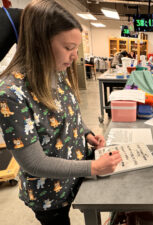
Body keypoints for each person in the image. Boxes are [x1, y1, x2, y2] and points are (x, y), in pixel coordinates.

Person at [0, 1, 122, 225]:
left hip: (74, 177)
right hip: (49, 196)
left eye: (76, 48)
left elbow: (70, 114)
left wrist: (86, 134)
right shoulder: (11, 93)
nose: (75, 56)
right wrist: (93, 167)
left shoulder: (56, 71)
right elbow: (33, 162)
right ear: (40, 43)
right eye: (68, 48)